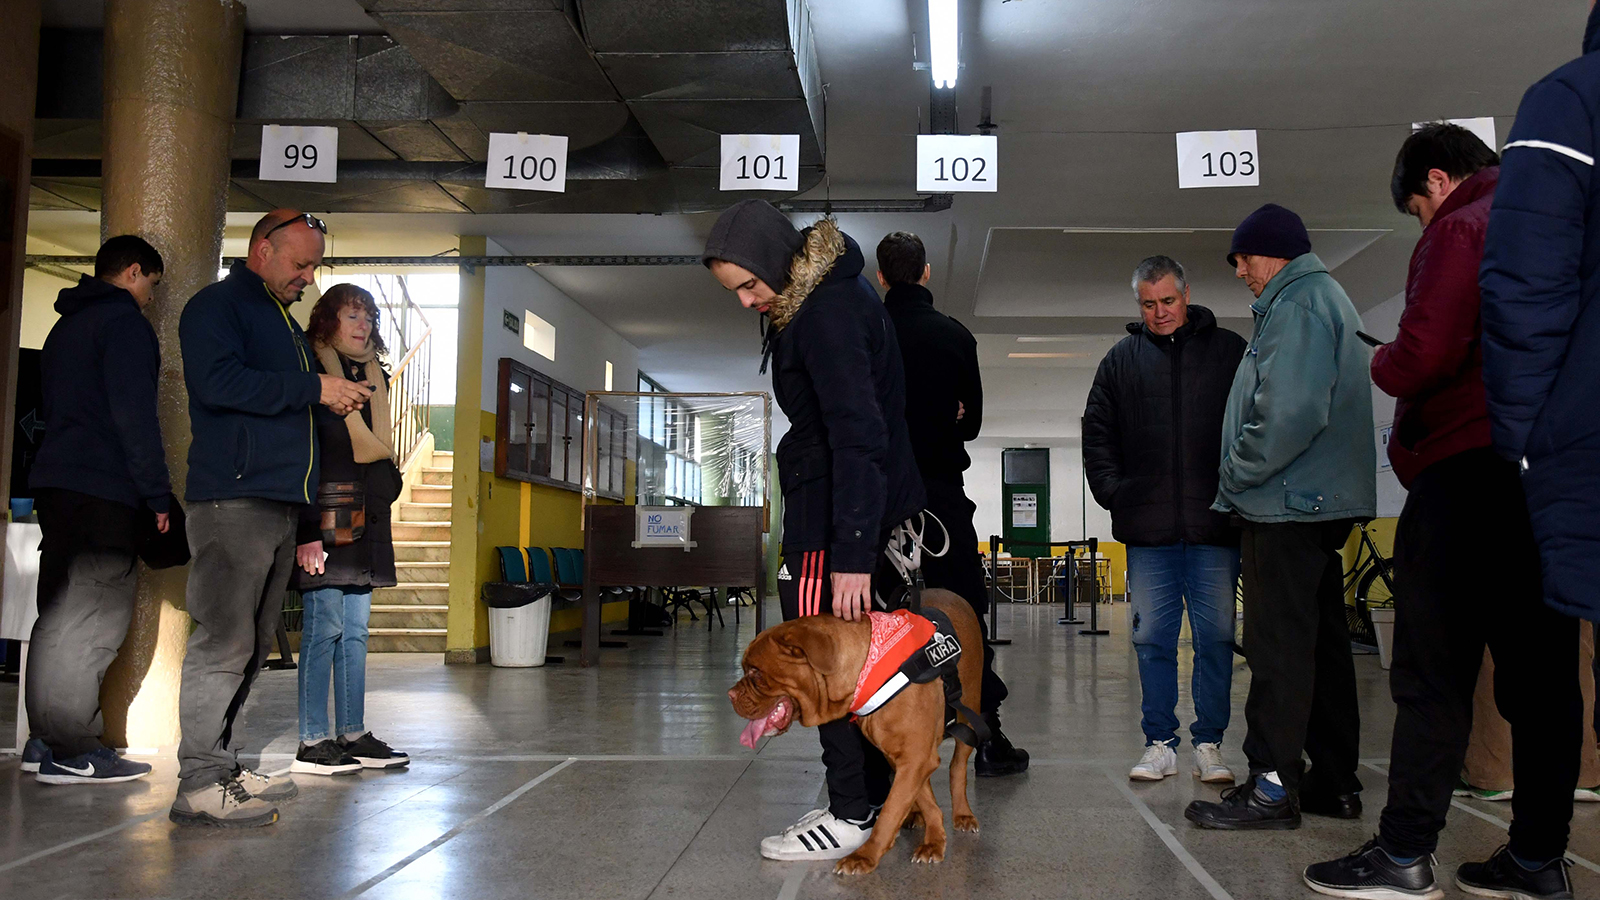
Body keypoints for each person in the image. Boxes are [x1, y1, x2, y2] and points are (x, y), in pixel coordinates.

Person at [1302, 122, 1578, 900]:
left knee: (1434, 674)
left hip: (1468, 476)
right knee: (1545, 681)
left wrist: (1383, 360)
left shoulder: (1462, 226)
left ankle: (1404, 853)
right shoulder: (1563, 226)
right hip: (1549, 481)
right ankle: (1537, 860)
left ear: (1436, 179)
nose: (1422, 222)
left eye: (1417, 209)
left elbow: (1421, 357)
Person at [704, 200, 925, 862]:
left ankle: (851, 813)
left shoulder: (825, 312)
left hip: (837, 524)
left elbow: (858, 433)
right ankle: (867, 802)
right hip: (856, 512)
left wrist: (850, 554)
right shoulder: (831, 295)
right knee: (869, 670)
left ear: (776, 260)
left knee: (825, 669)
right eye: (735, 292)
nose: (746, 301)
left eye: (749, 285)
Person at [1455, 3, 1600, 892]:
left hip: (1572, 451)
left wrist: (1518, 449)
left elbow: (1524, 290)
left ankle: (1540, 854)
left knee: (1543, 669)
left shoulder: (1570, 102)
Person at [171, 210, 373, 828]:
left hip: (278, 504)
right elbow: (216, 384)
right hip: (233, 500)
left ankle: (221, 765)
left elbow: (292, 423)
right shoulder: (217, 307)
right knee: (224, 641)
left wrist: (307, 521)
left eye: (314, 267)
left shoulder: (281, 321)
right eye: (301, 264)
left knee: (255, 644)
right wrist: (314, 389)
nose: (308, 278)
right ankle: (199, 782)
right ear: (262, 249)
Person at [1184, 203, 1376, 830]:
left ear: (1273, 252)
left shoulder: (1297, 305)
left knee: (1278, 650)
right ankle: (1334, 782)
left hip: (1286, 503)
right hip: (1313, 502)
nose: (1240, 271)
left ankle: (1271, 786)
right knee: (1321, 647)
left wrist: (1235, 473)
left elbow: (1289, 411)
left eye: (1242, 259)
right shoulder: (1321, 300)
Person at [1082, 255, 1246, 785]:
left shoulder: (1229, 352)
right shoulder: (1120, 361)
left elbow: (1254, 422)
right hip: (1148, 531)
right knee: (1152, 639)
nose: (1159, 312)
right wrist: (1115, 492)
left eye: (1168, 301)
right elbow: (1097, 432)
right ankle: (1159, 744)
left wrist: (1240, 491)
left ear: (1187, 294)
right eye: (1148, 304)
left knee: (1216, 639)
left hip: (1215, 525)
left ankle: (1209, 745)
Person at [875, 231, 1029, 778]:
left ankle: (881, 743)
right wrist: (949, 412)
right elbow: (974, 423)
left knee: (880, 616)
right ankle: (985, 737)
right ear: (927, 272)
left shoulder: (868, 331)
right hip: (940, 493)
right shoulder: (955, 336)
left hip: (880, 497)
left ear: (880, 277)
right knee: (963, 612)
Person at [22, 236, 171, 784]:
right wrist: (157, 495)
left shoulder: (65, 327)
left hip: (57, 486)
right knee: (91, 618)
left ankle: (44, 741)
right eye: (151, 284)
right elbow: (135, 418)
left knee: (58, 613)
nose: (150, 297)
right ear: (133, 271)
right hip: (103, 491)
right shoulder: (124, 325)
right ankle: (73, 749)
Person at [288, 284, 409, 776]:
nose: (363, 325)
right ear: (328, 320)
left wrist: (390, 480)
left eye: (369, 316)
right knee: (325, 629)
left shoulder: (374, 373)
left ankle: (352, 733)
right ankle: (312, 739)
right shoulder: (312, 371)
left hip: (369, 514)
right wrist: (306, 528)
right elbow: (303, 452)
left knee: (356, 632)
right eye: (352, 315)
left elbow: (377, 447)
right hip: (327, 514)